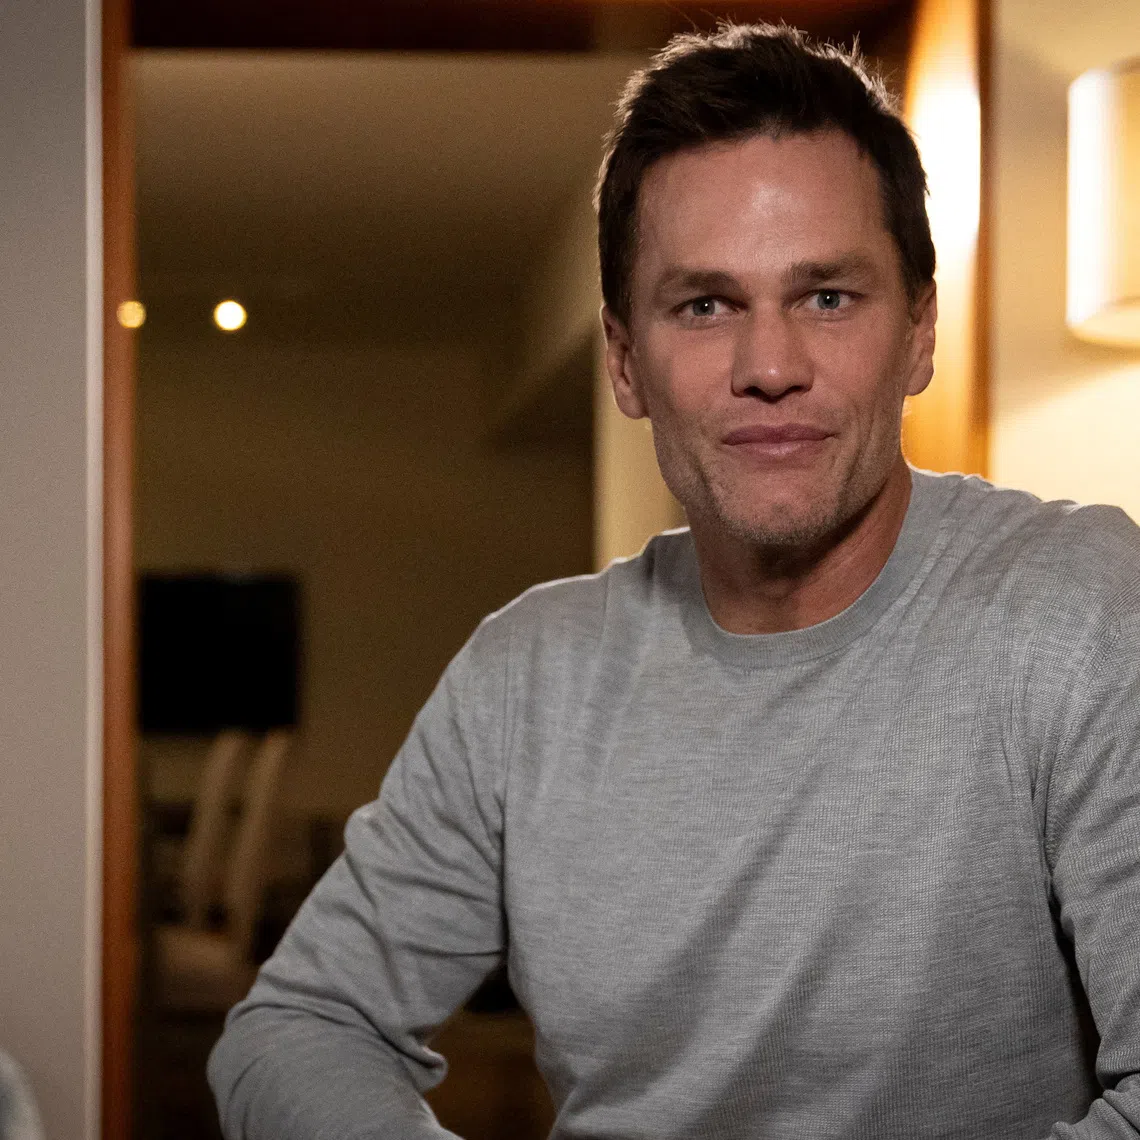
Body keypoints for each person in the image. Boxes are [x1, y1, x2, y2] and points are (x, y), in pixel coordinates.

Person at [208, 23, 1140, 1140]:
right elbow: (296, 1025)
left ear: (920, 332)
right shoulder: (527, 677)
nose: (771, 367)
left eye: (828, 296)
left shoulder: (1082, 612)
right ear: (622, 361)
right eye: (705, 305)